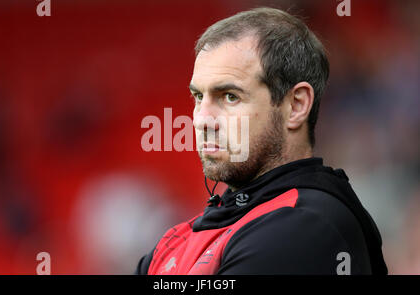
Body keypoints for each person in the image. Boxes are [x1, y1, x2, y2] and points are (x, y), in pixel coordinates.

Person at [135, 7, 387, 275]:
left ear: (296, 105)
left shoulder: (307, 225)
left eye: (230, 96)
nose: (200, 120)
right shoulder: (174, 242)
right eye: (199, 97)